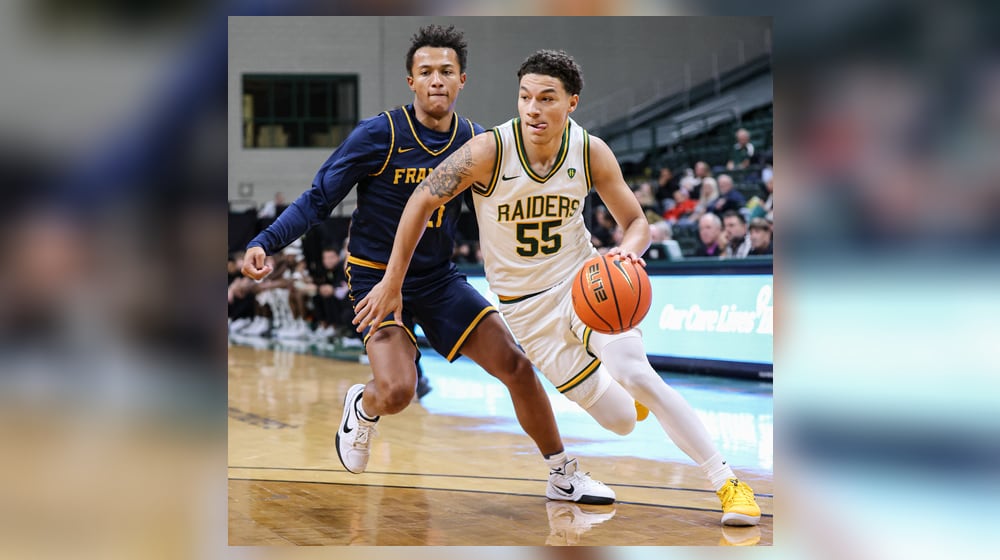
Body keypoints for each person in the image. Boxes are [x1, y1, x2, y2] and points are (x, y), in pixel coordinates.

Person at [356, 49, 761, 526]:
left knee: (636, 372)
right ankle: (622, 387)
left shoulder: (589, 151)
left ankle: (727, 483)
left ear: (571, 102)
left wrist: (626, 251)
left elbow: (636, 222)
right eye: (525, 97)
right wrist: (392, 281)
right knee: (622, 420)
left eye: (546, 98)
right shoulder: (488, 151)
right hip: (529, 313)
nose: (532, 108)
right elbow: (420, 201)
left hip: (584, 284)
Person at [240, 25, 612, 505]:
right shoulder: (380, 135)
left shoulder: (478, 142)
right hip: (376, 277)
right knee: (397, 392)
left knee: (517, 367)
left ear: (462, 81)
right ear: (410, 81)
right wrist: (266, 241)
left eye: (446, 71)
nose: (436, 79)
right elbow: (318, 199)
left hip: (438, 279)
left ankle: (562, 473)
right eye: (426, 71)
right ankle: (363, 403)